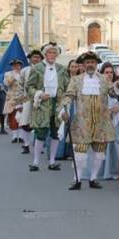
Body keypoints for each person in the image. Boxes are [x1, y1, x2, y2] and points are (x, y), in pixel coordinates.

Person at [60, 51, 115, 190]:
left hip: (101, 122)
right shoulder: (76, 80)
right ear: (83, 65)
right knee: (79, 152)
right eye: (88, 63)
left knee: (99, 151)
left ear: (96, 64)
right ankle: (77, 179)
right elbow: (69, 95)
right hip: (82, 122)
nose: (90, 65)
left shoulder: (104, 79)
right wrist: (64, 109)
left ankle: (93, 178)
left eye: (93, 62)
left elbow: (113, 92)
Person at [25, 43, 69, 172]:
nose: (52, 55)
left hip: (57, 104)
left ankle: (52, 161)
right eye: (50, 53)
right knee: (41, 133)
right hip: (42, 105)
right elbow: (29, 87)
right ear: (45, 54)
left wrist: (66, 100)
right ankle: (36, 162)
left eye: (54, 53)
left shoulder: (61, 69)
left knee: (55, 133)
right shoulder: (37, 68)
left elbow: (67, 86)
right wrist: (38, 94)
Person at [99, 63, 119, 180]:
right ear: (102, 73)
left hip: (118, 120)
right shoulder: (99, 87)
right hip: (104, 119)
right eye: (106, 72)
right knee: (104, 146)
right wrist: (110, 110)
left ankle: (117, 170)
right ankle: (105, 171)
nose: (109, 75)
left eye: (111, 72)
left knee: (117, 144)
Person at [18, 50, 43, 154]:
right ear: (30, 58)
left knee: (40, 124)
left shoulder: (44, 70)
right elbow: (20, 86)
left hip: (41, 99)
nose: (36, 59)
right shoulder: (25, 71)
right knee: (25, 123)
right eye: (34, 57)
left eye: (38, 57)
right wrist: (20, 102)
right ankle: (26, 144)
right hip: (27, 99)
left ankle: (38, 145)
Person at [4, 59, 25, 142]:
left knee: (21, 117)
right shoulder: (8, 74)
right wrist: (14, 77)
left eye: (18, 64)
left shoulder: (24, 73)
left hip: (22, 98)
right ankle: (14, 136)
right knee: (12, 117)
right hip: (12, 98)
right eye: (14, 65)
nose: (16, 66)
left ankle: (21, 136)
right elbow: (7, 84)